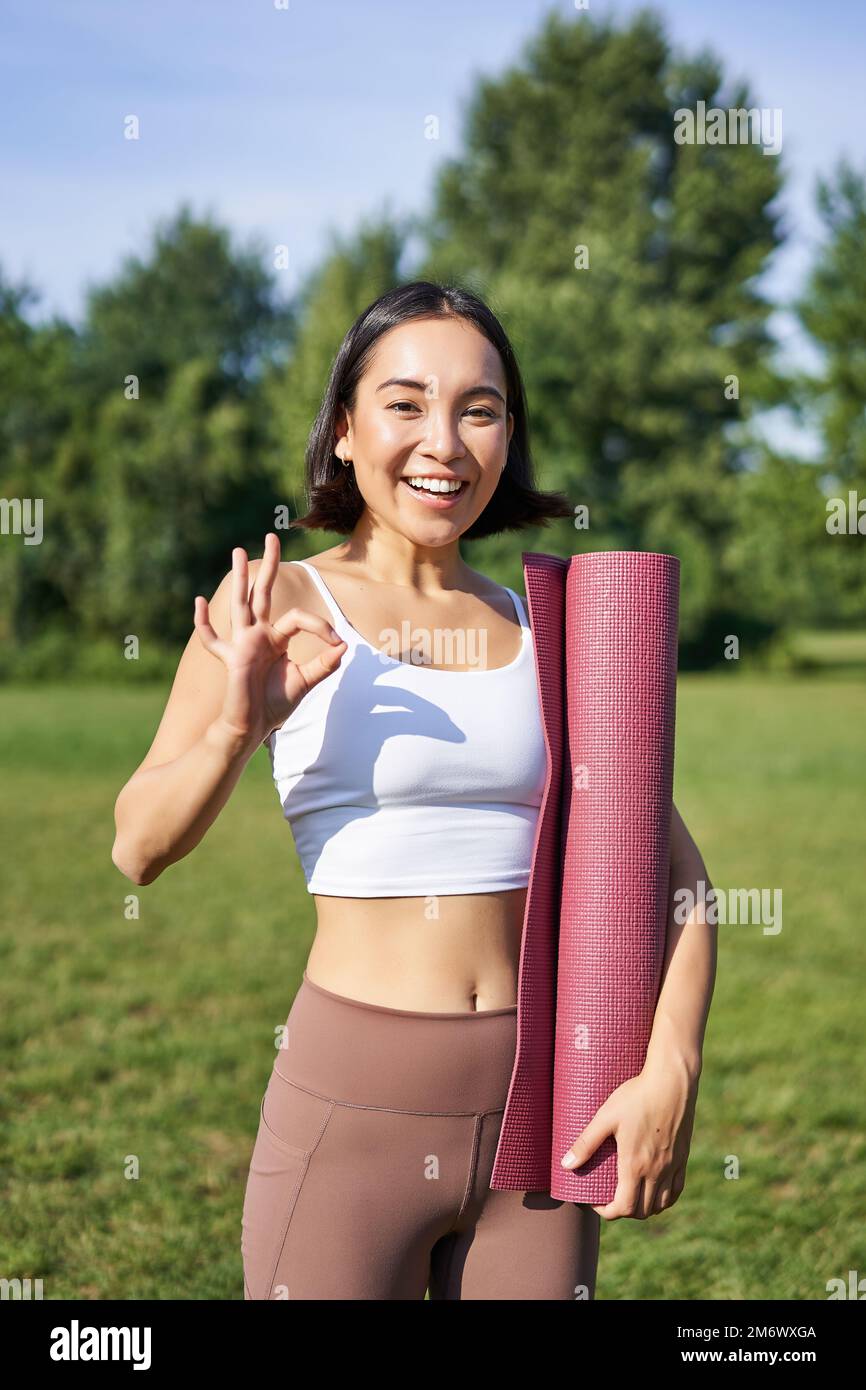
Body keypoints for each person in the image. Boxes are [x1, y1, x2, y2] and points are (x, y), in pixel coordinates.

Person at [111, 280, 715, 1300]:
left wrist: (672, 1070)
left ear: (506, 437)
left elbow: (683, 879)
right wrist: (235, 724)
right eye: (404, 403)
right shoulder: (275, 601)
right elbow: (138, 845)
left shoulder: (551, 627)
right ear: (343, 429)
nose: (442, 440)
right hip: (352, 1109)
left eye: (476, 409)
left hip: (541, 1120)